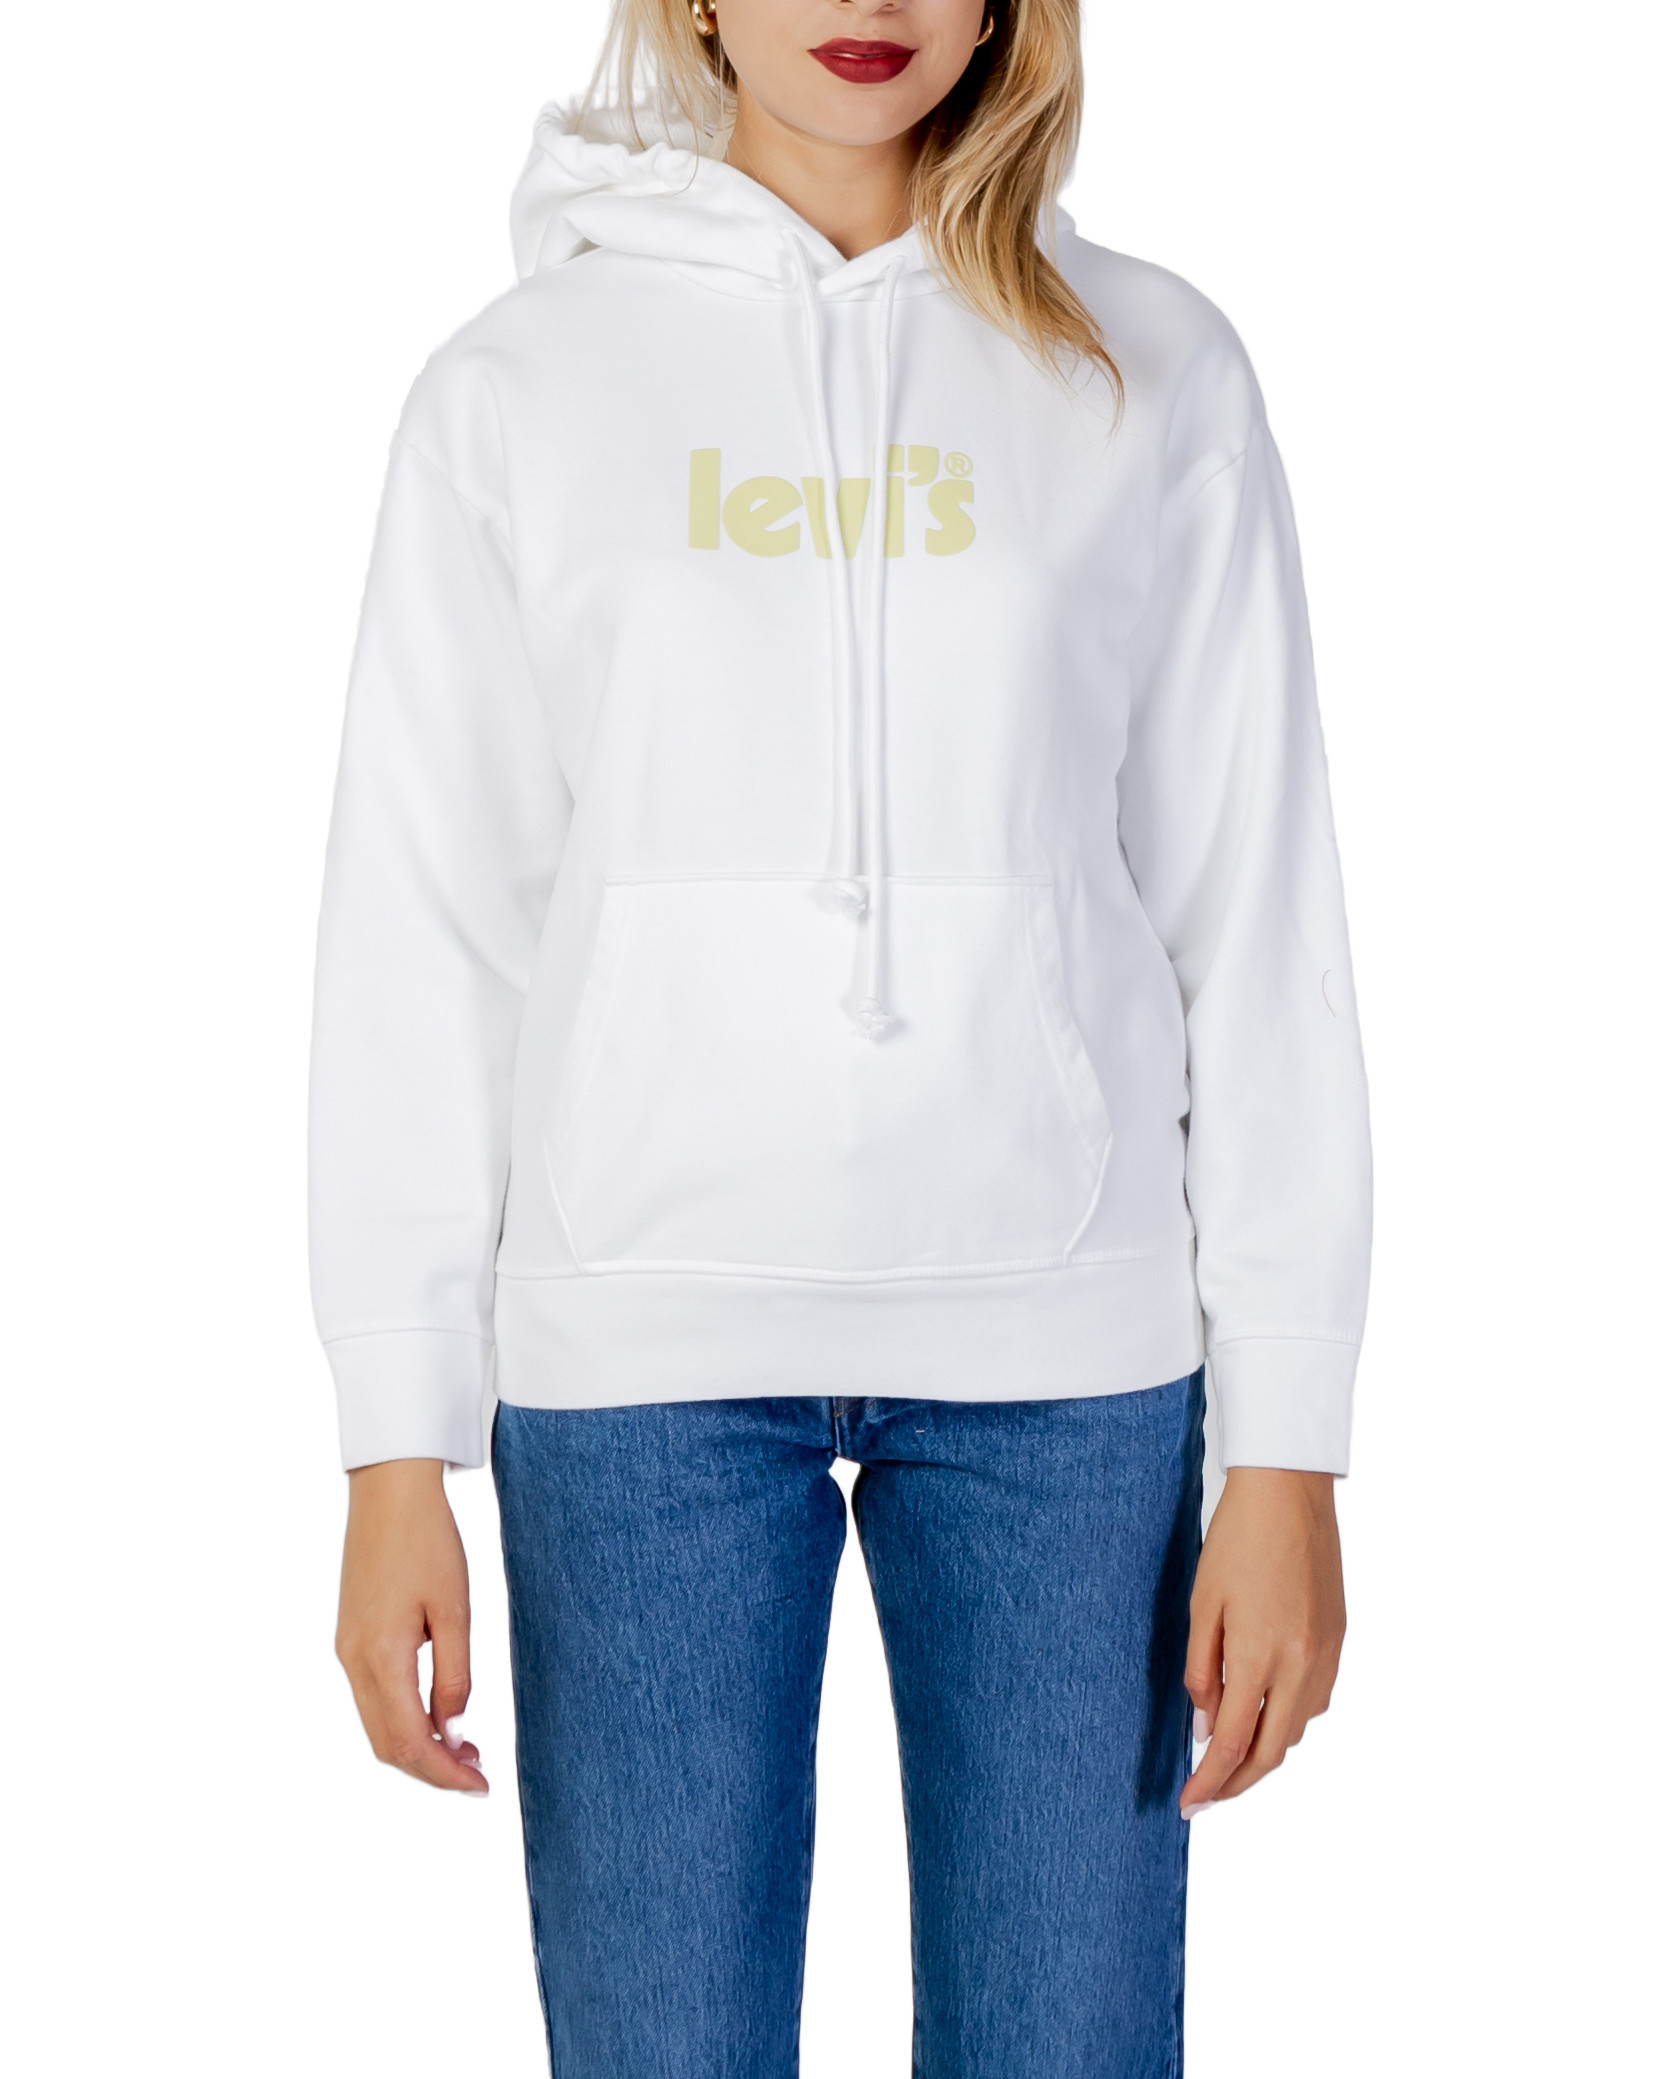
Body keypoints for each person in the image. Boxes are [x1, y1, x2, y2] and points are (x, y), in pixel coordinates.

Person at [311, 0, 1371, 2070]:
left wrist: (1291, 1440)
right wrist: (389, 1435)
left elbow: (1255, 905)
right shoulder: (518, 388)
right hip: (639, 1350)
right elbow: (424, 919)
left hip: (1070, 1352)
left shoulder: (1151, 365)